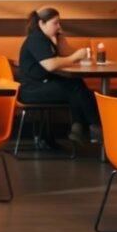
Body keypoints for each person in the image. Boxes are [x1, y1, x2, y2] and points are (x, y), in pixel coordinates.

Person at [18, 7, 102, 144]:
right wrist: (75, 56)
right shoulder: (36, 39)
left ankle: (80, 127)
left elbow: (64, 54)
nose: (59, 26)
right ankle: (94, 127)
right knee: (76, 88)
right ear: (41, 24)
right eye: (55, 23)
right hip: (31, 90)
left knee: (76, 84)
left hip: (41, 84)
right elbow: (50, 65)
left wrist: (59, 37)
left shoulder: (46, 38)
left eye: (59, 23)